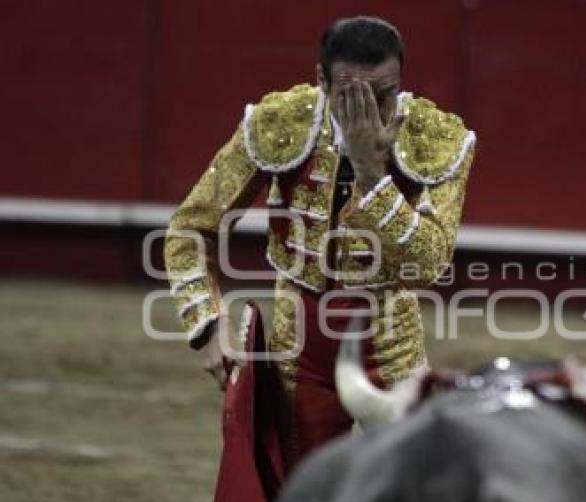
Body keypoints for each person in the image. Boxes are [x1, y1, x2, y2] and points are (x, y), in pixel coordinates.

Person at [163, 16, 476, 469]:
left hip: (388, 335)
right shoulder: (281, 123)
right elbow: (191, 227)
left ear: (401, 82)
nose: (367, 113)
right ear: (320, 81)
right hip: (299, 341)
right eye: (350, 96)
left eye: (383, 95)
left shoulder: (434, 138)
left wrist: (372, 175)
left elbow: (429, 263)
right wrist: (206, 324)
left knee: (415, 487)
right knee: (300, 493)